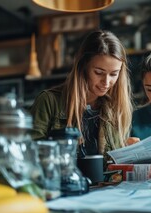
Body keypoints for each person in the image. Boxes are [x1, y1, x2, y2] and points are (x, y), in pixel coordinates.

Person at [30, 30, 133, 164]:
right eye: (98, 72)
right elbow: (30, 154)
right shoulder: (48, 102)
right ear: (83, 66)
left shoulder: (114, 108)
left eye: (114, 74)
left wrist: (127, 149)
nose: (106, 82)